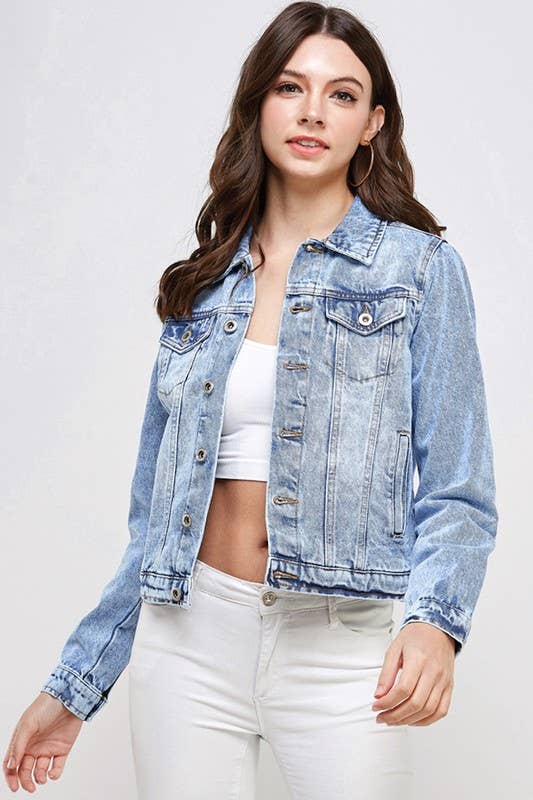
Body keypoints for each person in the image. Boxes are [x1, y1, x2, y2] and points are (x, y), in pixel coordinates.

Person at [3, 2, 498, 797]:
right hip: (184, 645)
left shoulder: (419, 271)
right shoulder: (202, 287)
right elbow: (154, 523)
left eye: (341, 94)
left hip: (340, 651)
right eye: (289, 87)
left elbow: (457, 489)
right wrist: (75, 685)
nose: (312, 112)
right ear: (257, 104)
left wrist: (434, 622)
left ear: (371, 123)